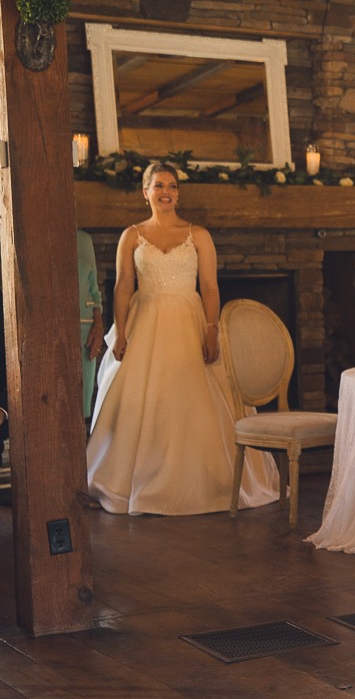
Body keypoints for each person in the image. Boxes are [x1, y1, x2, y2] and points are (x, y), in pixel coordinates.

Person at [86, 163, 280, 515]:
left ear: (178, 193)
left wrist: (211, 330)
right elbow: (122, 285)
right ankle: (137, 481)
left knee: (198, 402)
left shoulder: (199, 235)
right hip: (144, 321)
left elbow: (209, 286)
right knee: (148, 403)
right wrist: (122, 330)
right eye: (158, 185)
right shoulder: (131, 235)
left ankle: (211, 481)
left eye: (172, 186)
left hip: (190, 322)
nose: (166, 192)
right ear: (145, 192)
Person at [78, 229, 104, 422]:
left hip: (86, 329)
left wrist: (98, 325)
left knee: (80, 404)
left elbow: (94, 291)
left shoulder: (84, 240)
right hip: (48, 328)